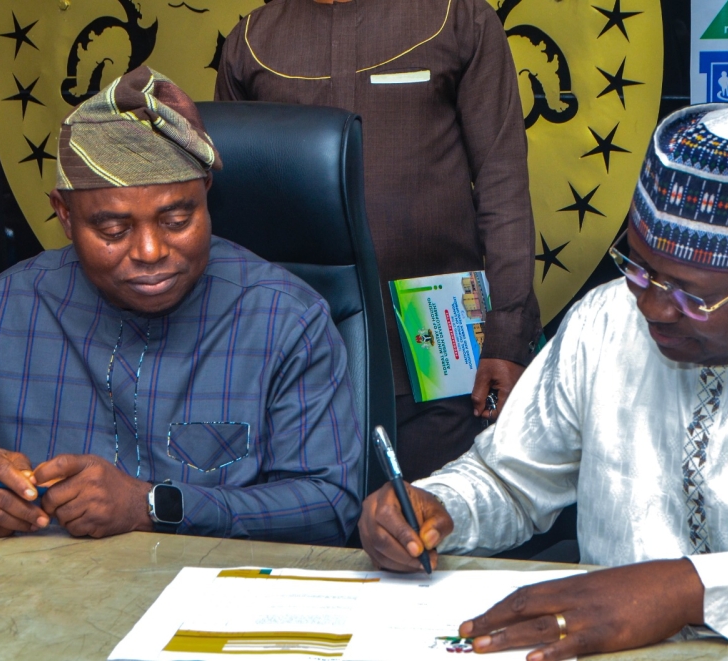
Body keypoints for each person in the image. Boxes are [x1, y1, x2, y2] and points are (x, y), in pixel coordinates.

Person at [357, 96, 728, 659]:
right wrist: (439, 507)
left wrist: (689, 588)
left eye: (692, 298)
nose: (651, 307)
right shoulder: (603, 320)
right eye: (640, 270)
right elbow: (510, 479)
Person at [0, 67, 362, 544]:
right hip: (43, 604)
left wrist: (152, 504)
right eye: (114, 230)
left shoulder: (285, 318)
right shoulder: (10, 309)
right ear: (65, 216)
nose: (150, 251)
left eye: (177, 219)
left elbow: (330, 507)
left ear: (206, 197)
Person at [214, 0, 541, 480]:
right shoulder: (253, 42)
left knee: (432, 527)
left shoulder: (459, 18)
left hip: (440, 354)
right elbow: (235, 206)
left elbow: (502, 180)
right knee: (307, 535)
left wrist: (507, 338)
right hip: (299, 356)